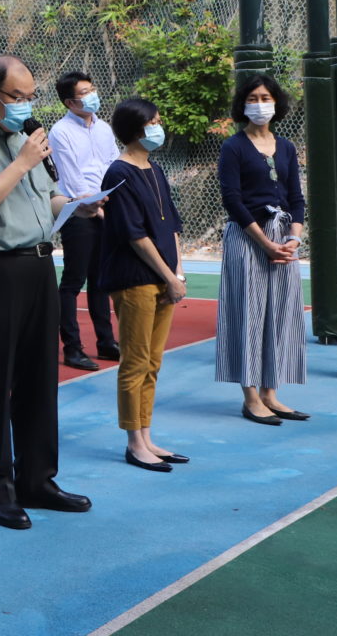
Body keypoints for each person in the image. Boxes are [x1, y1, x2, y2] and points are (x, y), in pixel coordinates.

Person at [0, 55, 91, 531]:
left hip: (40, 263)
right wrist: (23, 161)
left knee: (39, 378)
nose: (25, 105)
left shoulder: (21, 135)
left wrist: (77, 204)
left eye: (30, 97)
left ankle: (38, 480)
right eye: (16, 97)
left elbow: (44, 196)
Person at [99, 98, 189, 471]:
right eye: (153, 121)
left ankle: (148, 436)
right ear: (136, 128)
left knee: (153, 361)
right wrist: (168, 276)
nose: (159, 127)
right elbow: (135, 235)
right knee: (135, 361)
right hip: (135, 280)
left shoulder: (155, 168)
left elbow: (173, 226)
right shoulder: (118, 173)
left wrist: (177, 273)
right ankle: (134, 443)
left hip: (165, 279)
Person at [216, 75, 310, 426]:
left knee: (281, 313)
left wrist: (293, 239)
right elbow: (232, 200)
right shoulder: (233, 147)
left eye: (266, 97)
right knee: (249, 314)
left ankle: (272, 392)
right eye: (253, 98)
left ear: (276, 102)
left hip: (283, 239)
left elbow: (296, 198)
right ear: (243, 104)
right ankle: (251, 397)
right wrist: (265, 242)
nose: (260, 104)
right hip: (248, 237)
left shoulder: (286, 147)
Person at [48, 70, 121, 371]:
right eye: (84, 93)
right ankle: (73, 347)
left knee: (100, 280)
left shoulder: (103, 128)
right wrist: (94, 205)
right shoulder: (60, 132)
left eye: (92, 89)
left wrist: (113, 202)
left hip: (107, 207)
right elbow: (72, 177)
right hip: (78, 212)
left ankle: (106, 341)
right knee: (73, 281)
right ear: (70, 102)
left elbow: (114, 163)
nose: (92, 96)